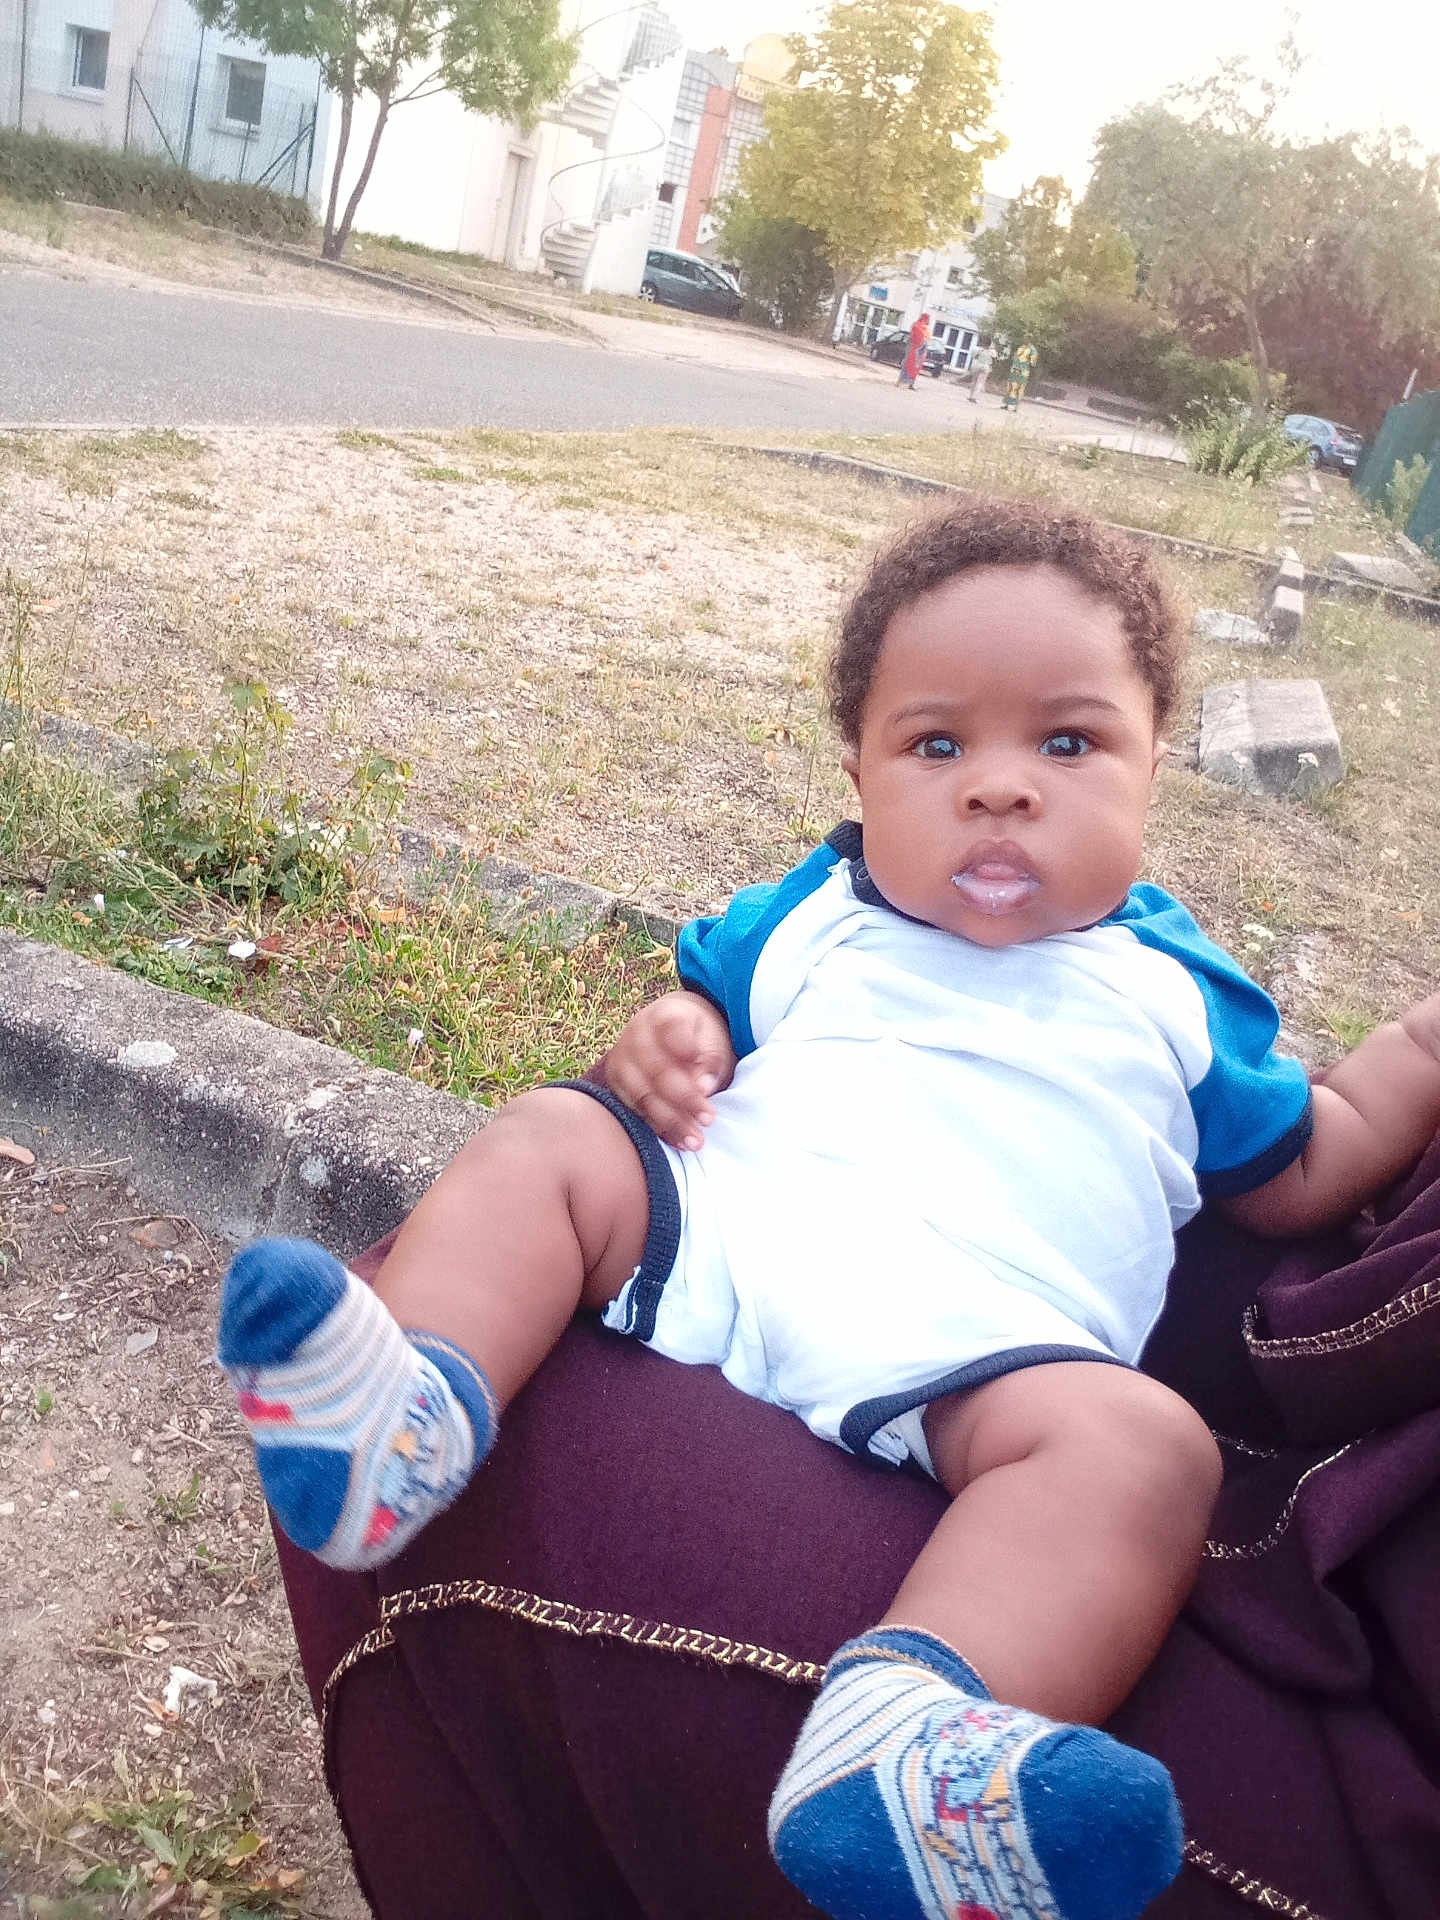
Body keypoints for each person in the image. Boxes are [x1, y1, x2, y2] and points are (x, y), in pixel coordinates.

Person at [217, 500, 1440, 1920]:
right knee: (557, 1136)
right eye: (937, 746)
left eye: (1067, 743)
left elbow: (1308, 1163)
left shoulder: (1178, 991)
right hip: (736, 1229)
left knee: (1146, 1451)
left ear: (1153, 762)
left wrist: (1418, 1048)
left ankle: (912, 1742)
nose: (999, 790)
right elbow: (697, 1021)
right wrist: (666, 1042)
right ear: (859, 771)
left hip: (982, 1347)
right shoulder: (816, 909)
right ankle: (408, 1408)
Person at [1003, 337, 1039, 410]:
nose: (1024, 340)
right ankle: (1007, 404)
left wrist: (1025, 363)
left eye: (1026, 339)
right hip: (1014, 369)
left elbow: (1033, 363)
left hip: (1023, 371)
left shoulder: (1033, 350)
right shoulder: (1021, 347)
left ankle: (1016, 407)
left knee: (1019, 388)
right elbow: (1015, 357)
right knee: (1010, 387)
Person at [898, 310, 931, 388]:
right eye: (928, 319)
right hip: (914, 349)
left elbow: (927, 339)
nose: (929, 321)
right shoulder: (917, 326)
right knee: (908, 365)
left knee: (915, 367)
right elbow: (915, 337)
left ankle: (911, 383)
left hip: (920, 350)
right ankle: (902, 382)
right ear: (925, 319)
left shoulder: (925, 328)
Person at [965, 336, 994, 401]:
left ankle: (970, 396)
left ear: (983, 343)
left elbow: (975, 357)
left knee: (974, 381)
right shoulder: (992, 352)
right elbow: (993, 360)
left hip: (978, 364)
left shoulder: (979, 350)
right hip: (986, 366)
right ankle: (974, 397)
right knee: (980, 382)